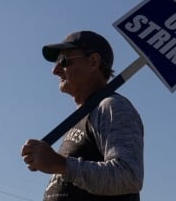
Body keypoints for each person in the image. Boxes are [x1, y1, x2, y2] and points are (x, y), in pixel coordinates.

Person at [21, 31, 144, 200]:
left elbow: (128, 175)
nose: (55, 70)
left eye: (64, 61)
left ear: (93, 62)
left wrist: (59, 164)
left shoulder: (111, 107)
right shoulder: (82, 119)